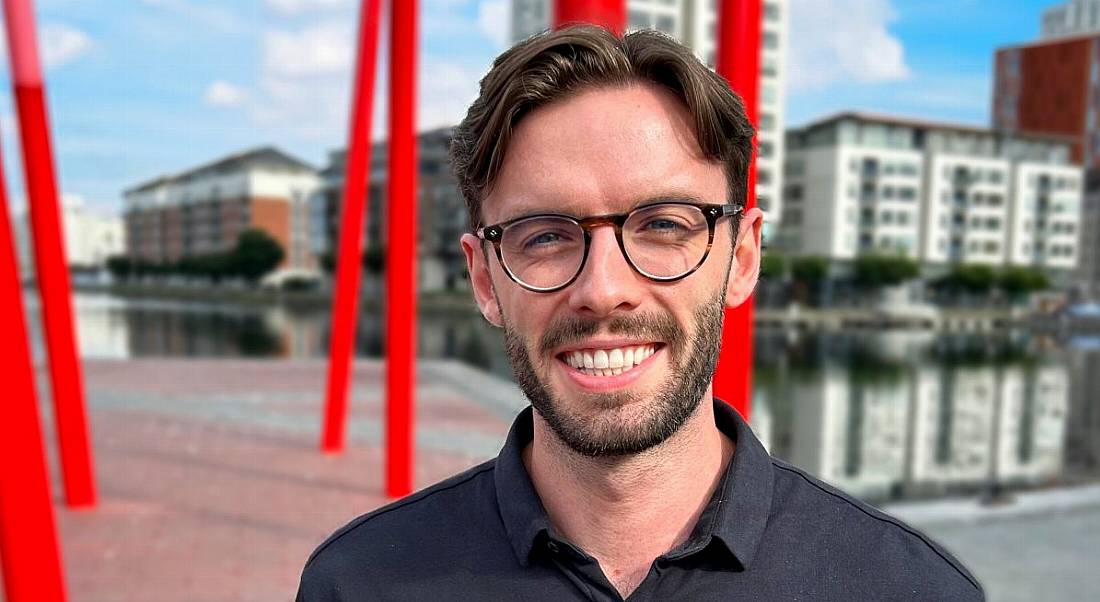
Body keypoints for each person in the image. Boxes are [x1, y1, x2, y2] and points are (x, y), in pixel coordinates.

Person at [296, 26, 983, 601]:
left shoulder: (906, 589)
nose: (603, 289)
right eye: (545, 235)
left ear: (742, 258)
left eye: (662, 225)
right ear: (483, 278)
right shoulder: (360, 584)